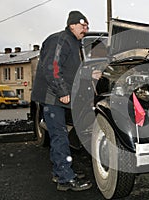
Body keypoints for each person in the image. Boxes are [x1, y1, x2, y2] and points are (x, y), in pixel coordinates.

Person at [31, 10, 92, 191]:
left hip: (57, 96)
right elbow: (53, 67)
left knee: (59, 134)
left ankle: (60, 172)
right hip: (52, 96)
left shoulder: (74, 42)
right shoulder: (60, 40)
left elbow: (72, 70)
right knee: (59, 135)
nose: (85, 30)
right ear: (72, 25)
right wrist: (62, 91)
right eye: (83, 26)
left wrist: (91, 73)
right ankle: (66, 179)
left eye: (87, 27)